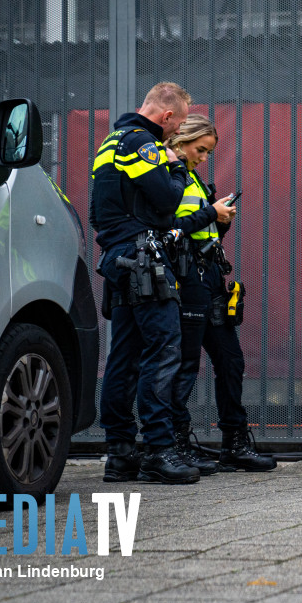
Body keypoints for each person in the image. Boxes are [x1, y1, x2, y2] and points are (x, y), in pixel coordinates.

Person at [90, 82, 198, 484]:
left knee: (124, 355)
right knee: (164, 348)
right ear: (166, 116)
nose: (177, 133)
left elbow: (95, 211)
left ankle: (120, 453)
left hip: (118, 256)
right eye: (180, 124)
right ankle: (158, 449)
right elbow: (169, 199)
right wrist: (176, 164)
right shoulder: (144, 144)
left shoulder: (109, 143)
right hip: (144, 255)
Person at [166, 114, 277, 474]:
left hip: (210, 277)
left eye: (208, 152)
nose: (202, 157)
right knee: (184, 366)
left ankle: (235, 442)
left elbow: (198, 233)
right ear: (181, 140)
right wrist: (209, 214)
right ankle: (177, 444)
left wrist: (219, 223)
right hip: (186, 280)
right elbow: (170, 231)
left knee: (231, 361)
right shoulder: (165, 175)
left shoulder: (192, 177)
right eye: (200, 149)